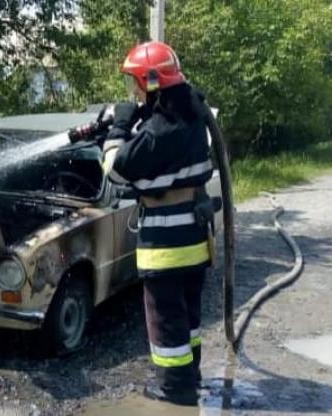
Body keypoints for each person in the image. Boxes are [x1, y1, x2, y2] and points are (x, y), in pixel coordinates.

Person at [108, 41, 214, 406]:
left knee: (166, 320)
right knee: (188, 317)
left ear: (152, 82)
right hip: (195, 239)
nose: (134, 92)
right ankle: (190, 376)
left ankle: (174, 388)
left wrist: (119, 128)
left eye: (136, 83)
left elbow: (116, 170)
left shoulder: (158, 129)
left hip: (166, 245)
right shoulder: (193, 115)